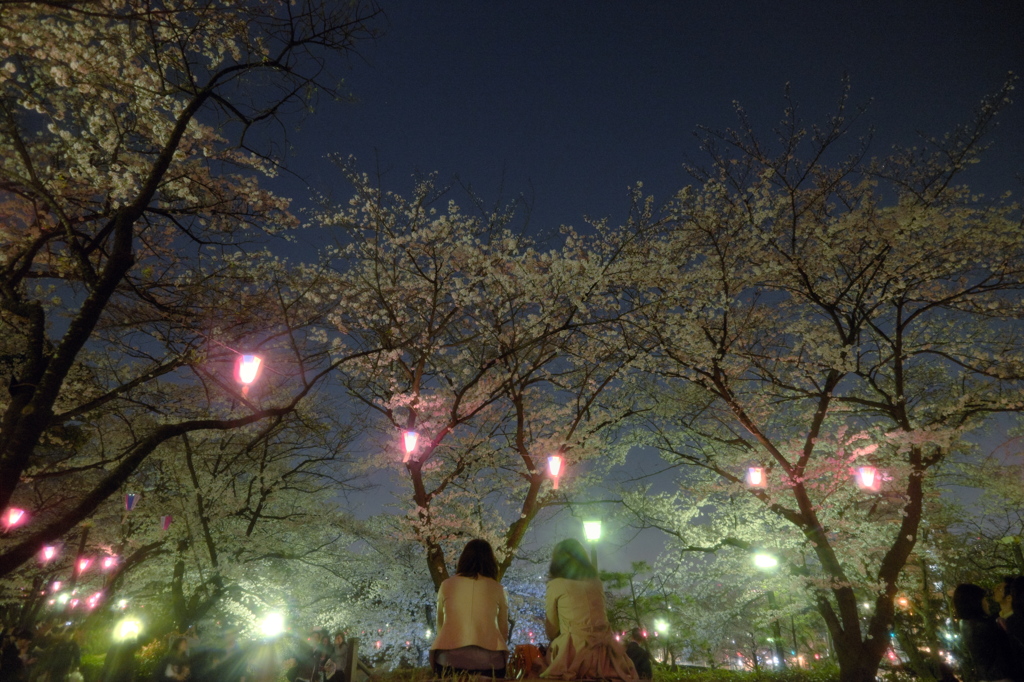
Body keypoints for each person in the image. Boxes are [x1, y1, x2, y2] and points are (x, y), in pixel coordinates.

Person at [541, 539, 638, 681]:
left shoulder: (556, 585)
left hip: (572, 655)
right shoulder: (596, 583)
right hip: (605, 655)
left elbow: (552, 628)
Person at [429, 539, 509, 678]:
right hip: (490, 663)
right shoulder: (498, 589)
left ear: (463, 559)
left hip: (449, 660)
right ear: (491, 561)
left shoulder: (447, 585)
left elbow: (440, 627)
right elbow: (503, 632)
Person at [953, 582, 1022, 682]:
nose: (987, 603)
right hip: (1001, 677)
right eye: (984, 600)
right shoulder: (987, 626)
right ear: (975, 602)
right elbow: (1011, 650)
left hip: (984, 677)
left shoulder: (964, 624)